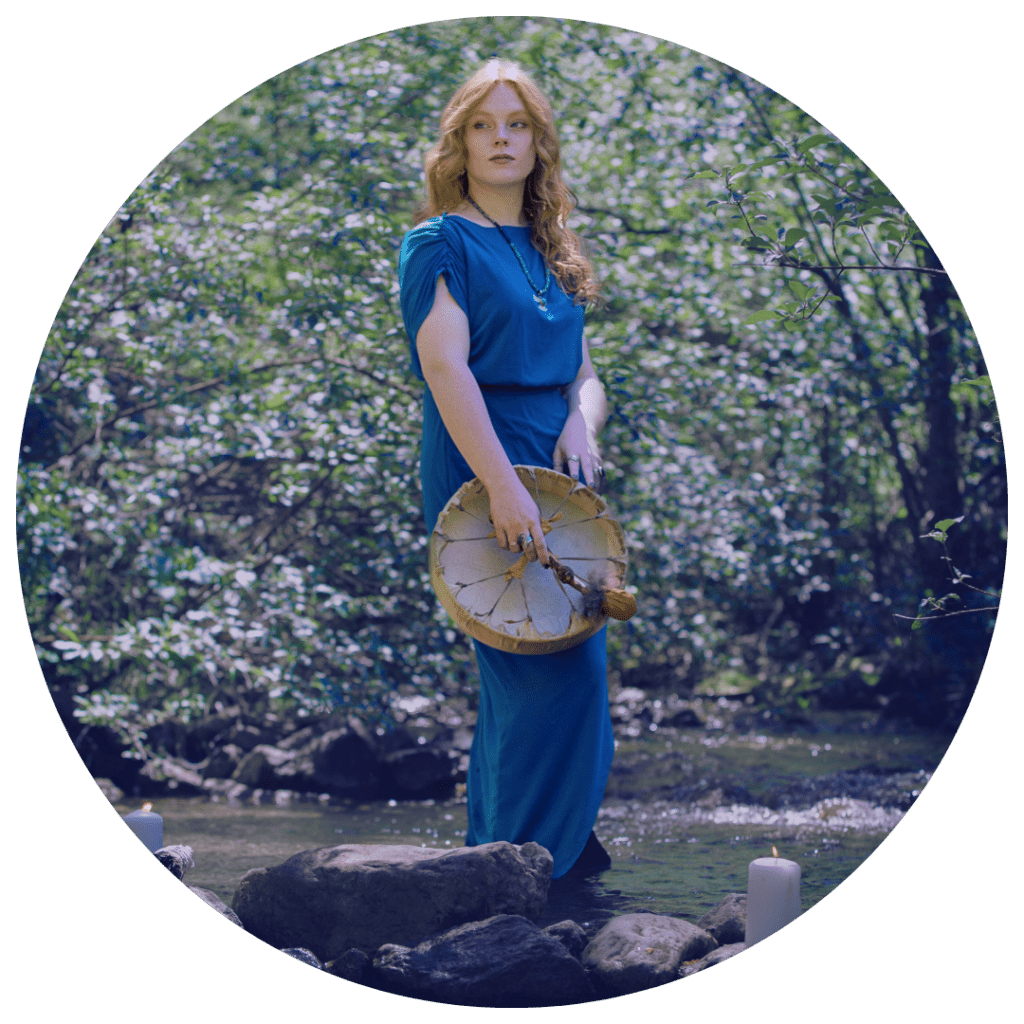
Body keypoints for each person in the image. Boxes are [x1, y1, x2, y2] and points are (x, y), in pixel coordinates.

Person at [398, 60, 613, 878]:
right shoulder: (438, 241)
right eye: (483, 124)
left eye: (516, 124)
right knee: (532, 668)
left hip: (560, 468)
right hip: (478, 457)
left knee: (571, 667)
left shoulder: (554, 247)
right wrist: (504, 485)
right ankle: (523, 867)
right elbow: (447, 372)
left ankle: (523, 853)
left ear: (538, 142)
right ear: (459, 141)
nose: (500, 139)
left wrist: (580, 425)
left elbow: (585, 376)